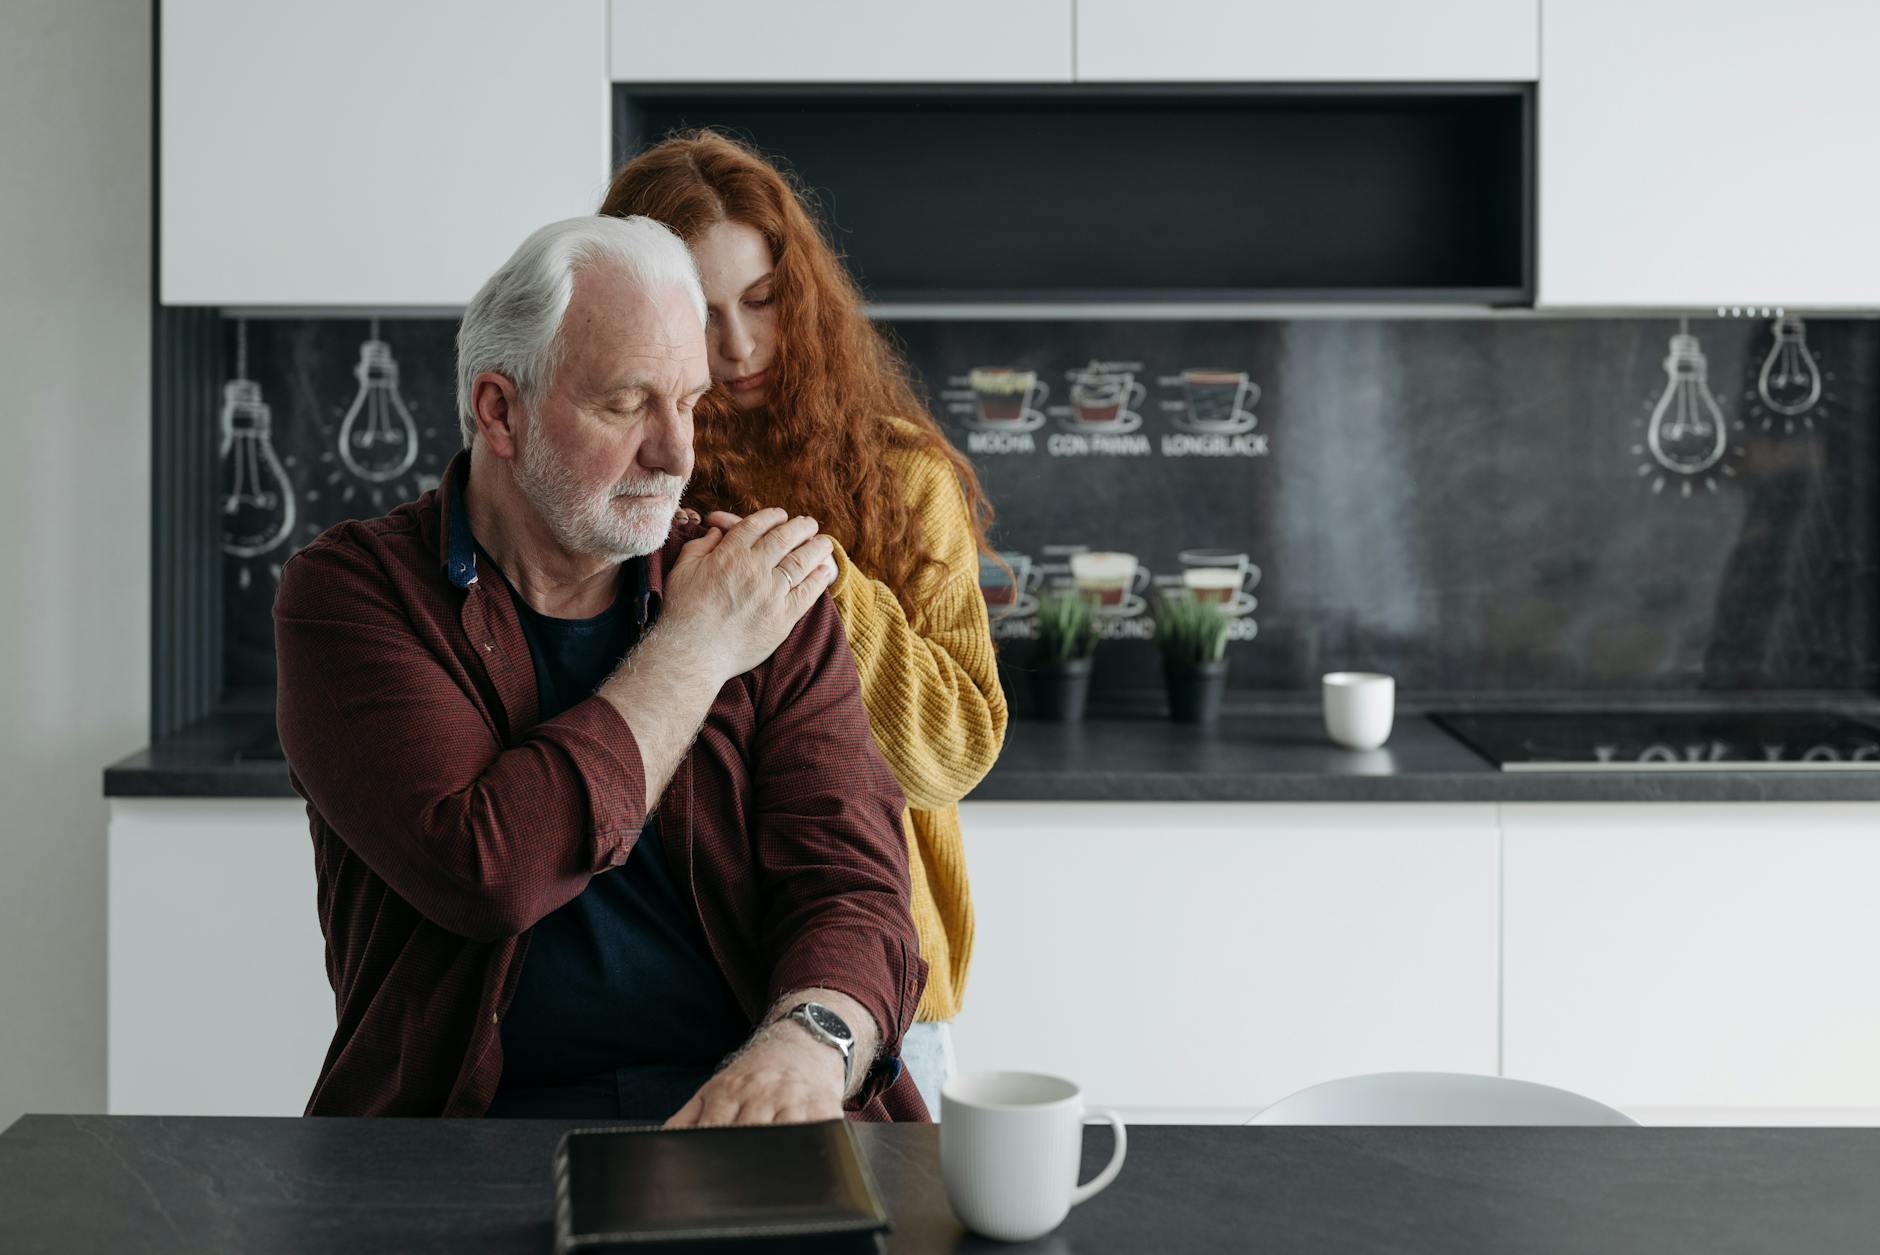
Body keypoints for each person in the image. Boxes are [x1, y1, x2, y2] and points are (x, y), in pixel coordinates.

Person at [274, 214, 929, 1123]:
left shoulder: (760, 591)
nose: (677, 453)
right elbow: (488, 870)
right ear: (499, 410)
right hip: (461, 1134)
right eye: (627, 405)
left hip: (747, 1115)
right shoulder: (354, 594)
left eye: (689, 402)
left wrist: (808, 1047)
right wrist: (697, 646)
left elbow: (855, 893)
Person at [600, 131, 1008, 1115]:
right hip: (655, 986)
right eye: (700, 313)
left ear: (806, 295)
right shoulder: (616, 481)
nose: (738, 347)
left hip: (872, 1000)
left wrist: (807, 564)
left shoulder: (903, 478)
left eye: (762, 300)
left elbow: (950, 753)